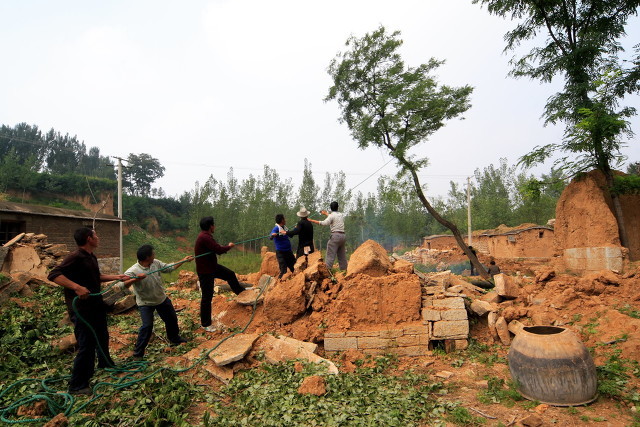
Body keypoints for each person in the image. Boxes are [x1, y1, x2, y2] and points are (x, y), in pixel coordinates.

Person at [47, 227, 130, 396]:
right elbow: (54, 275)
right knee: (86, 345)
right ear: (88, 238)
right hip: (81, 310)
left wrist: (117, 277)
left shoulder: (91, 256)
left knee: (102, 335)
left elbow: (96, 277)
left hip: (95, 306)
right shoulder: (75, 257)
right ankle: (77, 385)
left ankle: (105, 363)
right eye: (95, 235)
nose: (98, 238)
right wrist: (77, 287)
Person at [120, 245, 192, 359]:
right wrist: (136, 279)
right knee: (147, 326)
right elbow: (122, 284)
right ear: (147, 257)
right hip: (145, 303)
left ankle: (174, 338)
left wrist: (183, 260)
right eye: (153, 254)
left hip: (161, 299)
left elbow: (169, 267)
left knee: (172, 318)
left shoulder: (155, 263)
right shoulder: (133, 270)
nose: (155, 255)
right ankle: (138, 353)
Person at [194, 216, 243, 332]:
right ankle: (205, 324)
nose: (214, 227)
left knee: (230, 274)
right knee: (207, 296)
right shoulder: (204, 237)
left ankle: (241, 293)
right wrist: (229, 246)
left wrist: (224, 247)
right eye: (213, 225)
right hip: (205, 271)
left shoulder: (206, 237)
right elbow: (219, 250)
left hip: (211, 267)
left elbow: (215, 248)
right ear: (211, 226)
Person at [309, 201, 348, 270]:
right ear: (338, 207)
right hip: (343, 236)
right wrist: (326, 213)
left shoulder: (331, 216)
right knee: (342, 256)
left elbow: (324, 223)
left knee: (330, 255)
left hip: (335, 236)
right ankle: (344, 271)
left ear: (330, 208)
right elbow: (333, 217)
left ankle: (327, 272)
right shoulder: (341, 215)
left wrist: (311, 220)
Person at [270, 214, 295, 278]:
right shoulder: (276, 228)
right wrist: (273, 235)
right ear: (282, 220)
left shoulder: (285, 227)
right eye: (284, 219)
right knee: (283, 270)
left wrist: (295, 229)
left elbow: (291, 235)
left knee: (294, 267)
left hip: (288, 251)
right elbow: (271, 236)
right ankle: (279, 283)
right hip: (281, 252)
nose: (285, 220)